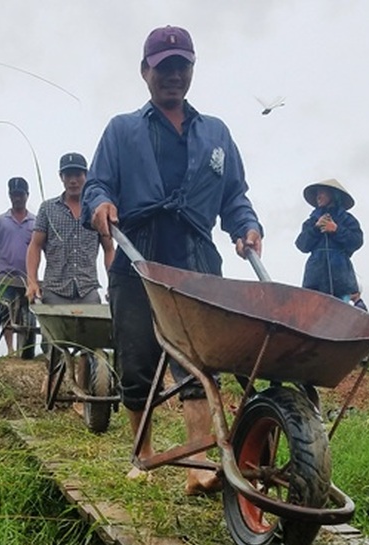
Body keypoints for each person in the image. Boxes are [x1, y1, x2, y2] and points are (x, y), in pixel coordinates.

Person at [83, 25, 263, 496]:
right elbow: (98, 185)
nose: (173, 75)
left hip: (194, 258)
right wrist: (100, 205)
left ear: (192, 69)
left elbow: (234, 196)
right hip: (137, 256)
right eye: (164, 68)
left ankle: (198, 463)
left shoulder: (216, 133)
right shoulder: (122, 130)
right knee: (137, 359)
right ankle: (141, 455)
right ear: (146, 71)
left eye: (182, 66)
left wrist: (246, 226)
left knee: (199, 360)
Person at [26, 153, 114, 307]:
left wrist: (113, 285)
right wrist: (32, 281)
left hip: (87, 290)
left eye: (78, 175)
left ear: (86, 176)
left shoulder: (96, 211)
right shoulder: (48, 209)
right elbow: (35, 245)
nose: (73, 181)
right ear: (61, 177)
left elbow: (109, 249)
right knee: (56, 329)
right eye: (68, 175)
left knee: (96, 328)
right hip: (55, 290)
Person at [0, 177, 36, 357]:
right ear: (9, 196)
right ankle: (10, 349)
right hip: (4, 276)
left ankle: (24, 348)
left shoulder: (35, 222)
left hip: (27, 277)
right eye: (13, 195)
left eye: (20, 194)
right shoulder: (0, 221)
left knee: (27, 311)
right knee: (6, 310)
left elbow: (43, 247)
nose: (17, 198)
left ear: (27, 195)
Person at [294, 178, 363, 299]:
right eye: (317, 193)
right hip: (315, 279)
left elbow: (357, 241)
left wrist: (336, 230)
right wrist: (316, 228)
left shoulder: (347, 219)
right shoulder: (311, 221)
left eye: (322, 192)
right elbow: (301, 245)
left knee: (340, 315)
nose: (318, 196)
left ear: (334, 195)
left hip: (341, 280)